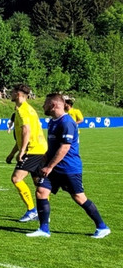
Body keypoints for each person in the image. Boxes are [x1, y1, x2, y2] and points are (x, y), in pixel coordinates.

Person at [27, 93, 110, 238]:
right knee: (41, 191)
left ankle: (102, 227)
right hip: (53, 167)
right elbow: (53, 147)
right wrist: (44, 159)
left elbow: (64, 147)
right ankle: (44, 229)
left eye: (45, 103)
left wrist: (49, 167)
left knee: (79, 197)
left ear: (53, 105)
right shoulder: (52, 122)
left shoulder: (66, 122)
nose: (43, 106)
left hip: (68, 168)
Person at [5, 84, 46, 223]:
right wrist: (12, 154)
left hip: (32, 150)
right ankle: (43, 213)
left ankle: (32, 210)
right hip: (40, 149)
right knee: (39, 183)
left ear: (18, 94)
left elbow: (26, 131)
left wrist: (22, 151)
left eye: (12, 92)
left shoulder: (23, 110)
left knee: (16, 179)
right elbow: (22, 137)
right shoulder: (28, 109)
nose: (10, 94)